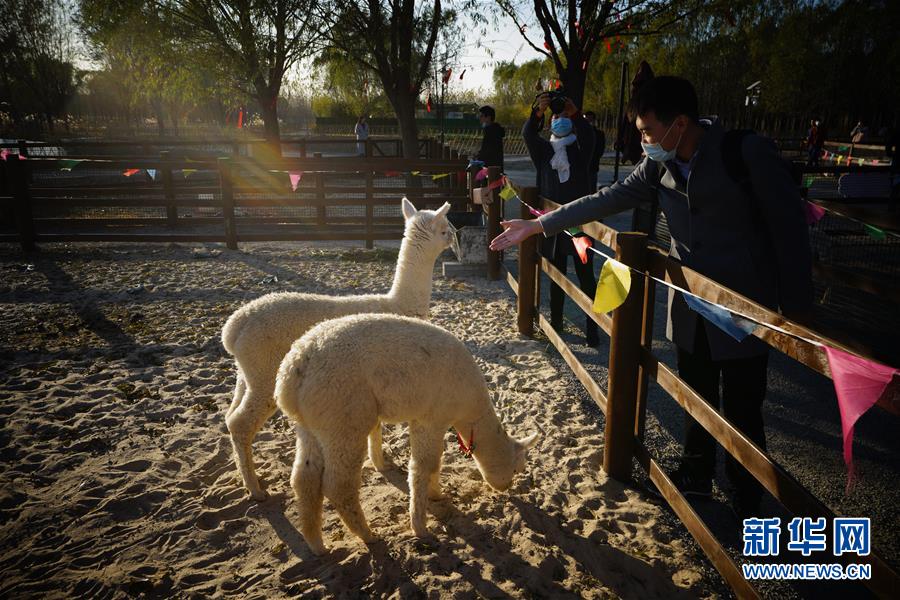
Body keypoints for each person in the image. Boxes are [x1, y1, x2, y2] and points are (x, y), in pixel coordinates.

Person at [492, 76, 813, 518]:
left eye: (646, 131)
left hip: (742, 309)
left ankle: (747, 493)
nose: (642, 141)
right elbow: (606, 198)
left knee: (743, 407)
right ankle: (696, 473)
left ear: (679, 124)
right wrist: (539, 224)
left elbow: (790, 230)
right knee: (694, 394)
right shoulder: (657, 165)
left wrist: (796, 314)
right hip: (690, 305)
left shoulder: (744, 152)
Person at [523, 91, 598, 346]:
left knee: (586, 278)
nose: (560, 119)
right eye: (556, 116)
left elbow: (589, 136)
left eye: (564, 115)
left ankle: (593, 328)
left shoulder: (581, 150)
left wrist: (575, 113)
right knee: (556, 276)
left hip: (580, 226)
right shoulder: (544, 151)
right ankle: (556, 323)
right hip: (554, 225)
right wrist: (538, 112)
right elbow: (528, 134)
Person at [475, 106, 505, 170]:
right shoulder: (495, 129)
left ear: (488, 117)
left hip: (491, 167)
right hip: (496, 166)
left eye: (481, 116)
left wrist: (478, 158)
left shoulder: (491, 130)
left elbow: (487, 150)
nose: (479, 118)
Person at [584, 111, 607, 191]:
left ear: (594, 120)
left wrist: (595, 157)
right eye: (586, 120)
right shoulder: (579, 132)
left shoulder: (599, 134)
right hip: (581, 165)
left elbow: (600, 149)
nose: (589, 122)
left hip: (593, 164)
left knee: (591, 187)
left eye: (590, 120)